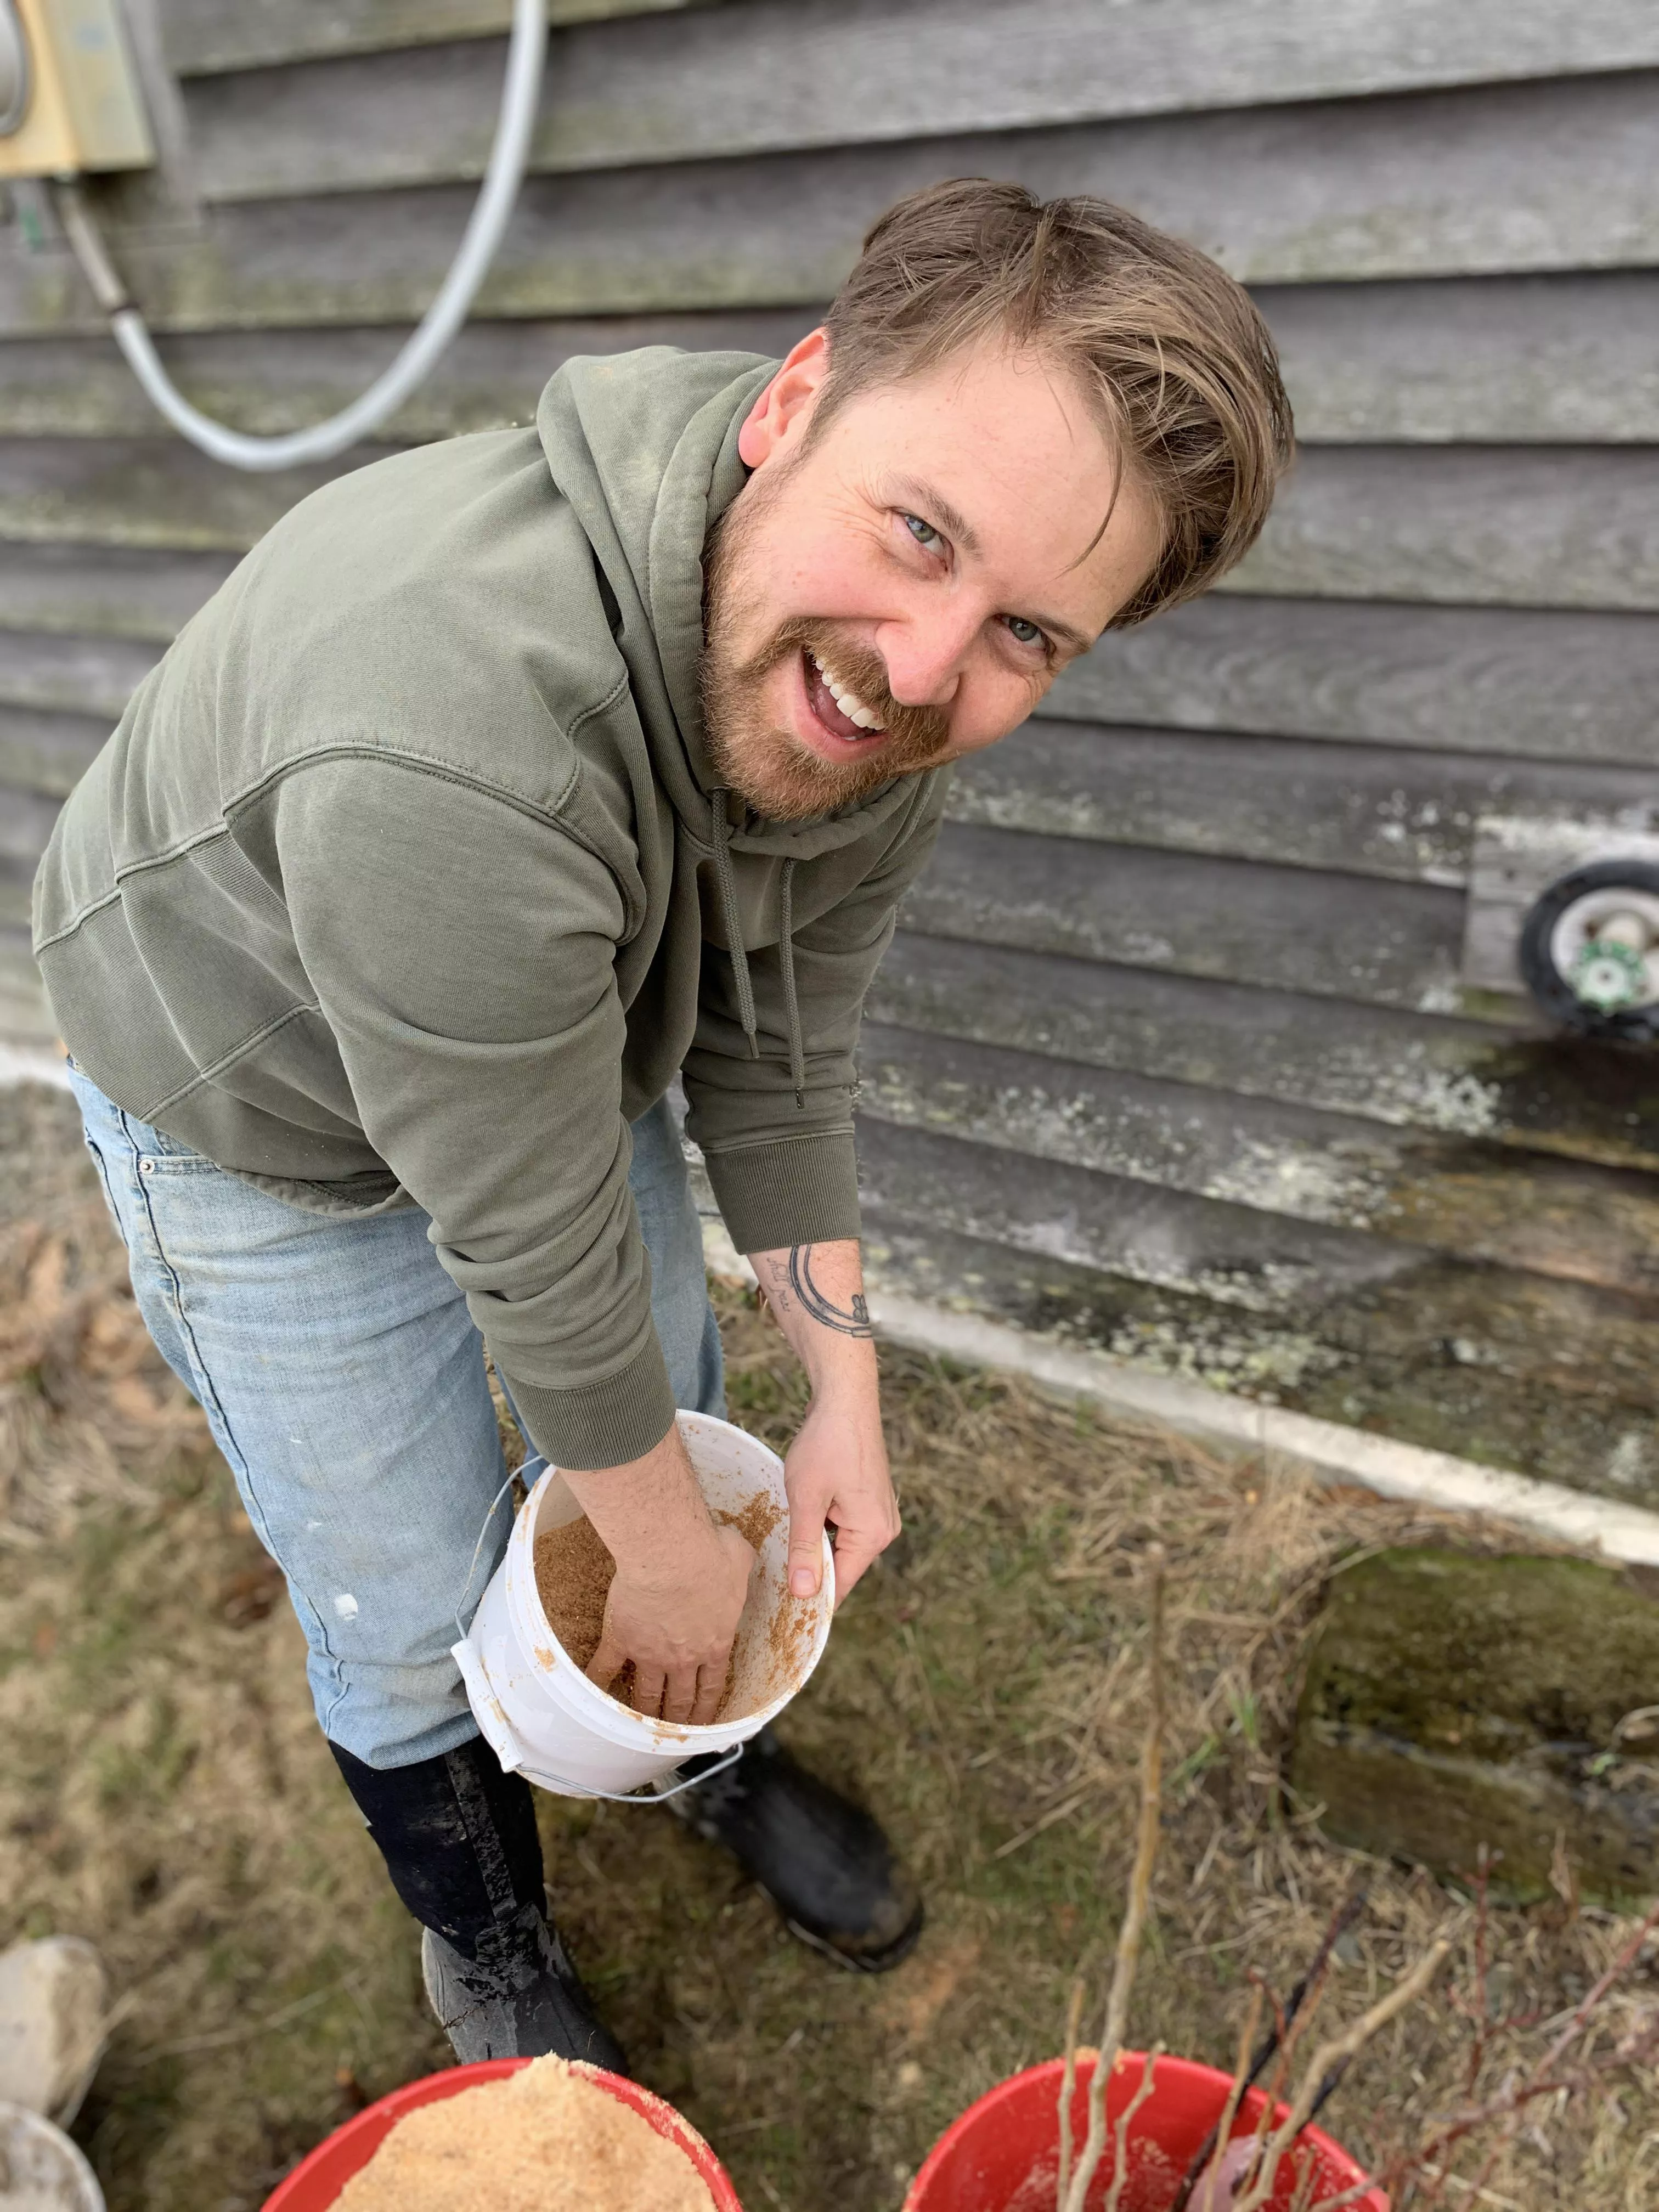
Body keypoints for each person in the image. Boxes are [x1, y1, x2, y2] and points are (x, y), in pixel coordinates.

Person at [32, 180, 1291, 2068]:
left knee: (673, 1424)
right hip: (257, 1102)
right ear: (793, 403)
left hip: (544, 1016)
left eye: (1031, 628)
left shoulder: (881, 679)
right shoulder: (447, 737)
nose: (928, 664)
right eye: (917, 529)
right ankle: (490, 1943)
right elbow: (526, 1237)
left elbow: (780, 1044)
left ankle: (688, 1752)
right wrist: (664, 1545)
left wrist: (842, 1398)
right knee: (402, 1582)